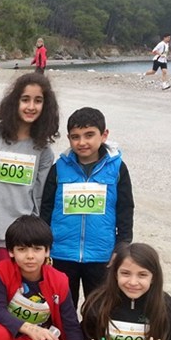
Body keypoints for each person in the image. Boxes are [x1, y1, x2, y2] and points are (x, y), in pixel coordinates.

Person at [0, 73, 59, 340]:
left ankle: (11, 337)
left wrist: (39, 237)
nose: (31, 106)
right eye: (25, 99)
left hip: (21, 237)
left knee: (18, 293)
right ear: (14, 101)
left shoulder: (43, 150)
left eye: (38, 101)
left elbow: (40, 196)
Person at [40, 107, 134, 308]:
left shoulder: (117, 168)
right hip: (62, 253)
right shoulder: (59, 168)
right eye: (75, 137)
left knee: (98, 308)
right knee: (62, 307)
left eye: (89, 135)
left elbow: (125, 208)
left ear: (104, 135)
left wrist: (123, 243)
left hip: (101, 254)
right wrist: (44, 243)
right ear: (68, 138)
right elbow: (46, 207)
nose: (82, 142)